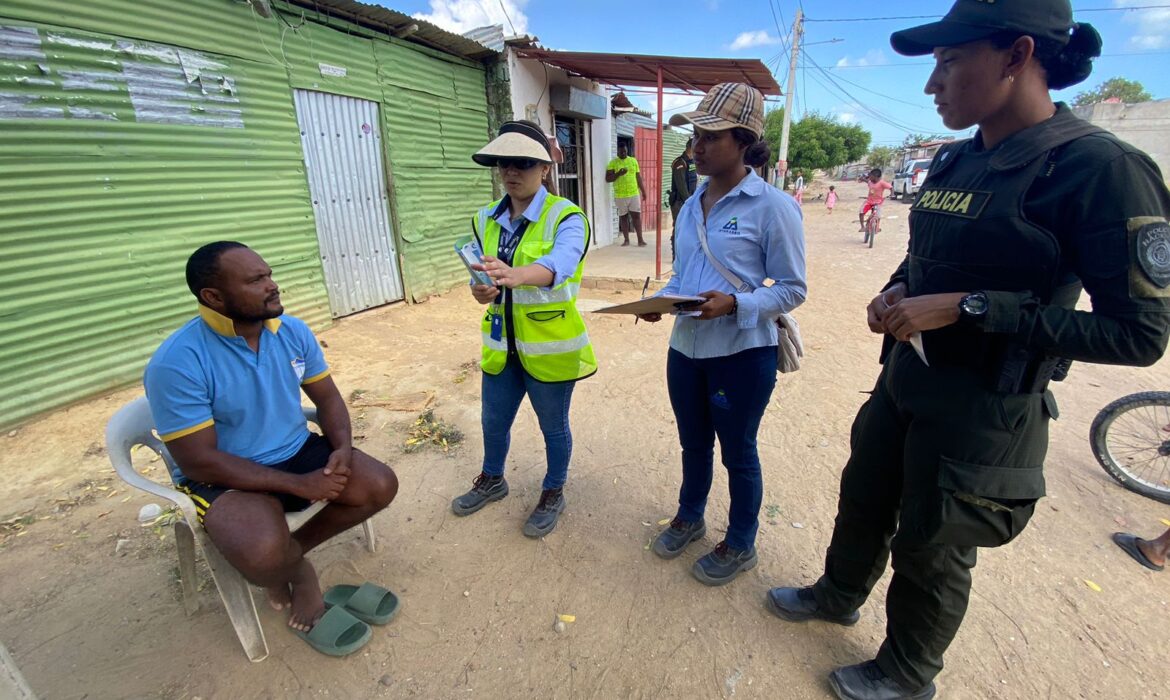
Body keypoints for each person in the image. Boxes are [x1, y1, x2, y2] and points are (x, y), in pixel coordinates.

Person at [764, 2, 1170, 698]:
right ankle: (837, 594)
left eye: (950, 62)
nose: (933, 85)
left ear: (1017, 57)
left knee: (933, 545)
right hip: (907, 381)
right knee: (864, 498)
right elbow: (927, 258)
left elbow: (1139, 336)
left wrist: (973, 308)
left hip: (986, 408)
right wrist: (894, 292)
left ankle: (907, 673)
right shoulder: (957, 158)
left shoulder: (1099, 168)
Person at [144, 242, 398, 654]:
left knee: (378, 485)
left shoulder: (291, 332)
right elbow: (199, 459)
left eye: (269, 274)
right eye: (256, 280)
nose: (272, 286)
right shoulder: (177, 362)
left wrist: (342, 449)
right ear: (214, 297)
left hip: (294, 449)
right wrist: (300, 486)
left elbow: (328, 400)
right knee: (261, 553)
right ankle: (299, 572)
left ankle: (288, 560)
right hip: (223, 474)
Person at [639, 82, 807, 586]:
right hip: (686, 350)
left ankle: (740, 543)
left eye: (711, 136)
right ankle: (690, 517)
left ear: (743, 140)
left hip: (740, 353)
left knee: (738, 452)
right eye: (695, 135)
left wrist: (737, 303)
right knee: (693, 444)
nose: (698, 146)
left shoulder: (772, 206)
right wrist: (660, 301)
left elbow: (793, 289)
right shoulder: (691, 204)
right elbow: (683, 275)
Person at [451, 120, 596, 538]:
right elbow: (484, 276)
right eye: (504, 164)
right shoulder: (485, 218)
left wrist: (516, 275)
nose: (511, 172)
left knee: (553, 426)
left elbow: (560, 265)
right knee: (493, 421)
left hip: (550, 347)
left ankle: (553, 491)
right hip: (501, 343)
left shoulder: (567, 217)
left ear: (545, 169)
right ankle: (493, 479)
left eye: (523, 164)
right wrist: (481, 290)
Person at [607, 143, 647, 247]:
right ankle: (626, 240)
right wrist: (618, 174)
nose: (623, 153)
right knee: (623, 217)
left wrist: (643, 191)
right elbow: (608, 179)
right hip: (620, 196)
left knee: (636, 217)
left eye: (625, 151)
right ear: (618, 152)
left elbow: (638, 177)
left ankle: (640, 240)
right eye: (621, 152)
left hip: (633, 194)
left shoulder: (633, 161)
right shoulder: (613, 163)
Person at [669, 137, 699, 259]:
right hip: (680, 202)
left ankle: (684, 254)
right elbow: (681, 186)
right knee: (679, 227)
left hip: (689, 201)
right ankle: (675, 255)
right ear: (690, 148)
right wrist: (690, 202)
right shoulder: (680, 163)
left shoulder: (692, 162)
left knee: (688, 228)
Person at [858, 168, 892, 233]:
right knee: (861, 212)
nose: (869, 177)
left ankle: (877, 227)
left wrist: (892, 194)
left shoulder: (882, 183)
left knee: (878, 216)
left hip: (878, 203)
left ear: (876, 177)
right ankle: (862, 227)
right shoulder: (870, 182)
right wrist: (862, 179)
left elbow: (891, 188)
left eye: (870, 176)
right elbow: (867, 181)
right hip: (869, 201)